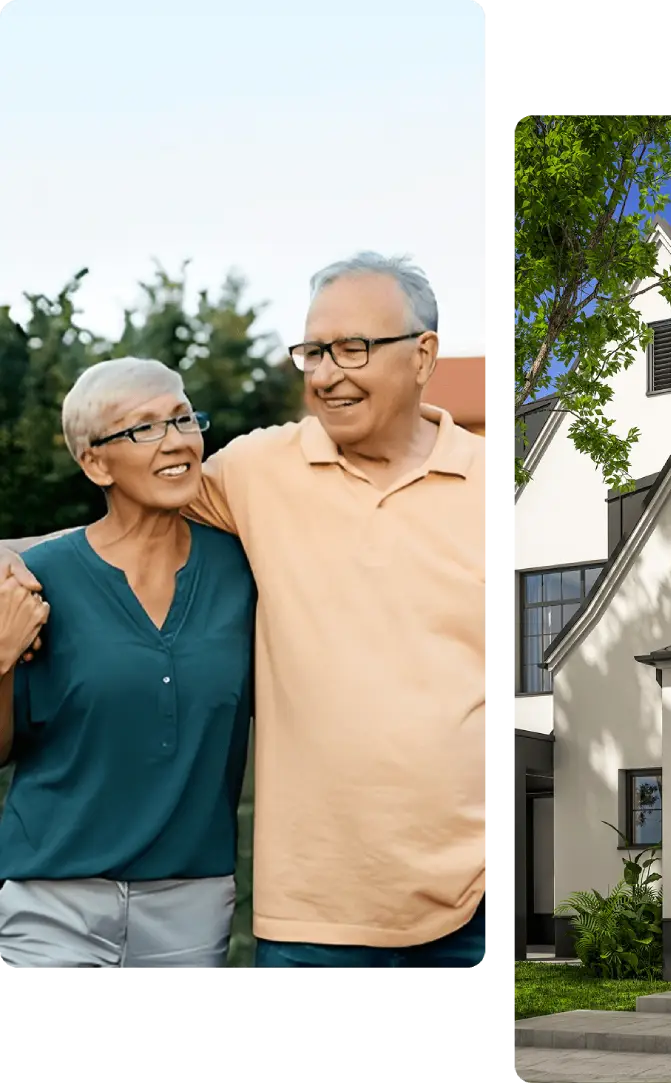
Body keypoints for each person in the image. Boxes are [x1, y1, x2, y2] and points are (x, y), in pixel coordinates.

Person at [2, 253, 487, 968]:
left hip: (467, 902)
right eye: (314, 351)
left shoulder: (486, 490)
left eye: (353, 348)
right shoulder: (258, 471)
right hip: (308, 912)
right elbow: (125, 527)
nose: (326, 373)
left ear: (423, 356)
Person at [0, 357, 255, 967]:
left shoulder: (245, 570)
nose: (176, 442)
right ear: (95, 462)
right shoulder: (39, 580)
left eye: (182, 418)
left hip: (192, 901)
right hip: (50, 899)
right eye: (143, 428)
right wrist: (1, 659)